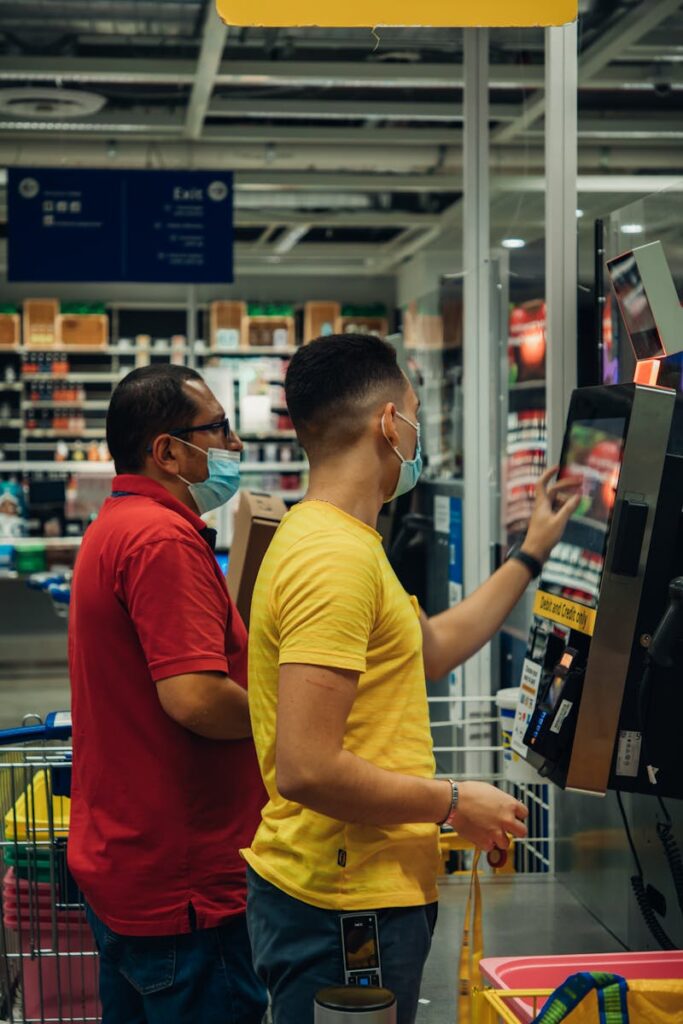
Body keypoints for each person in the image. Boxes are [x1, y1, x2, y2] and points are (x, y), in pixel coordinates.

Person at [244, 334, 581, 1024]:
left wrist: (530, 552)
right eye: (416, 414)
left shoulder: (344, 542)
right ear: (388, 424)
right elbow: (305, 768)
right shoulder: (332, 560)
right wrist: (455, 801)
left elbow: (424, 650)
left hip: (357, 891)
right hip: (342, 901)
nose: (417, 432)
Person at [68, 364, 267, 1024]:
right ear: (168, 451)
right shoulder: (160, 539)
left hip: (131, 863)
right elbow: (195, 700)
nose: (233, 447)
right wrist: (291, 721)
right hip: (182, 885)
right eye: (219, 429)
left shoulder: (118, 524)